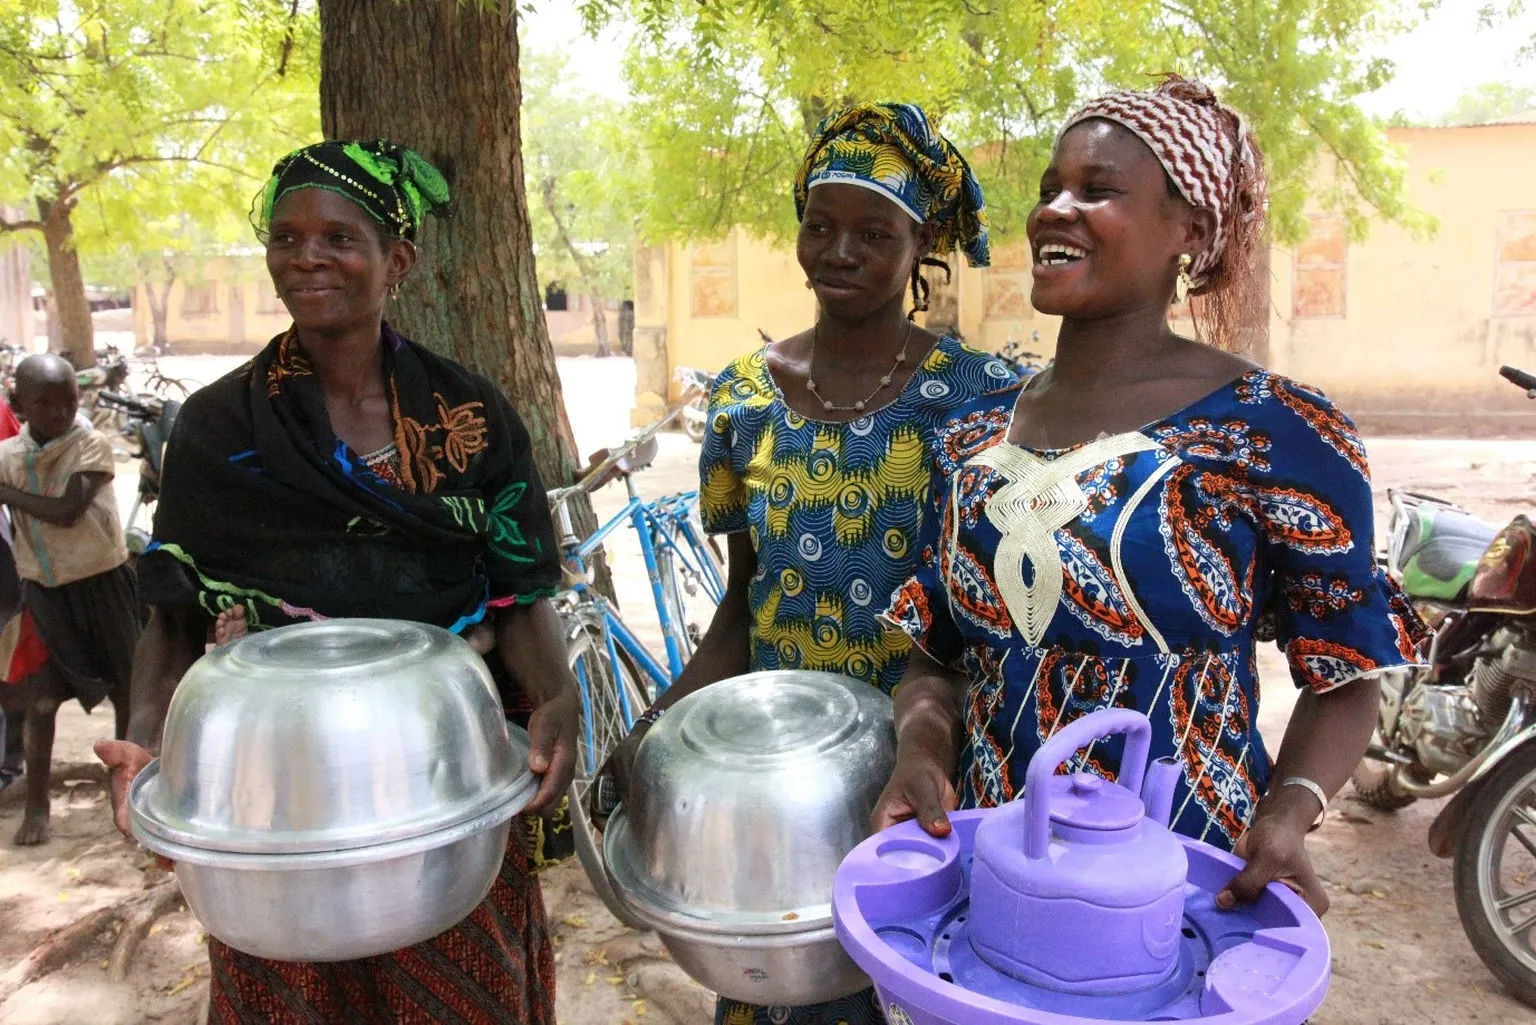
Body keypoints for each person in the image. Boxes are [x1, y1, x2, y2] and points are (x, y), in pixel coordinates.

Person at [872, 76, 1426, 915]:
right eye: (1052, 187)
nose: (1056, 209)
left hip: (1188, 877)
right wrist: (920, 744)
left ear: (1188, 231)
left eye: (1097, 191)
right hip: (992, 866)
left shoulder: (1279, 432)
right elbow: (938, 658)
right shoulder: (969, 438)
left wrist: (1288, 814)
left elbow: (1345, 674)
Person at [93, 140, 579, 1025]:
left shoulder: (469, 418)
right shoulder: (218, 430)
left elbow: (519, 594)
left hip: (448, 774)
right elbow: (170, 616)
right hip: (279, 788)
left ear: (398, 260)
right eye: (286, 239)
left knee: (464, 996)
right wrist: (143, 743)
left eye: (338, 239)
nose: (307, 258)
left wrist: (557, 699)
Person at [598, 102, 1017, 1025]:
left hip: (923, 781)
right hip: (773, 793)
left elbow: (991, 623)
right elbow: (745, 609)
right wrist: (653, 732)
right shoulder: (745, 397)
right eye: (820, 226)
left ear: (920, 245)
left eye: (875, 231)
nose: (841, 251)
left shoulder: (982, 398)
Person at [0, 355, 140, 845]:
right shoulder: (10, 455)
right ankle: (36, 805)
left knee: (126, 690)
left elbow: (66, 511)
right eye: (45, 403)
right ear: (19, 405)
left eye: (69, 402)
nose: (59, 412)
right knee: (40, 701)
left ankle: (125, 796)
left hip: (102, 585)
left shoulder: (91, 445)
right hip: (43, 592)